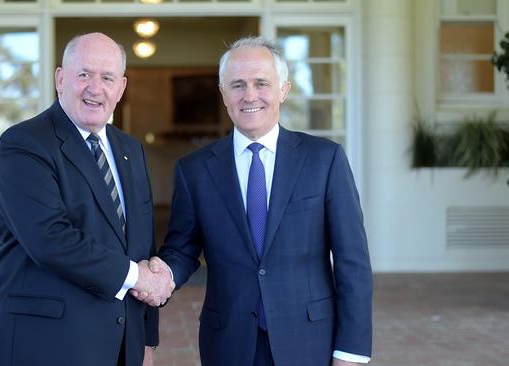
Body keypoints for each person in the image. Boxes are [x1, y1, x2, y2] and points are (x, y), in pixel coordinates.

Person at [139, 36, 373, 365]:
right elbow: (183, 247)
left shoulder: (325, 160)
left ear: (283, 90)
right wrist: (161, 275)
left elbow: (353, 263)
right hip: (229, 343)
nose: (249, 96)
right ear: (222, 94)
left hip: (309, 341)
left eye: (261, 83)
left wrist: (352, 351)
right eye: (237, 85)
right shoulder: (194, 170)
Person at [0, 32, 174, 366]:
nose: (95, 88)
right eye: (84, 75)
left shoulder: (130, 150)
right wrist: (140, 278)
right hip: (42, 344)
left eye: (107, 78)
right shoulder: (24, 144)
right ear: (60, 79)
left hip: (120, 344)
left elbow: (141, 245)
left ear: (120, 88)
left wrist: (147, 340)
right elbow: (50, 239)